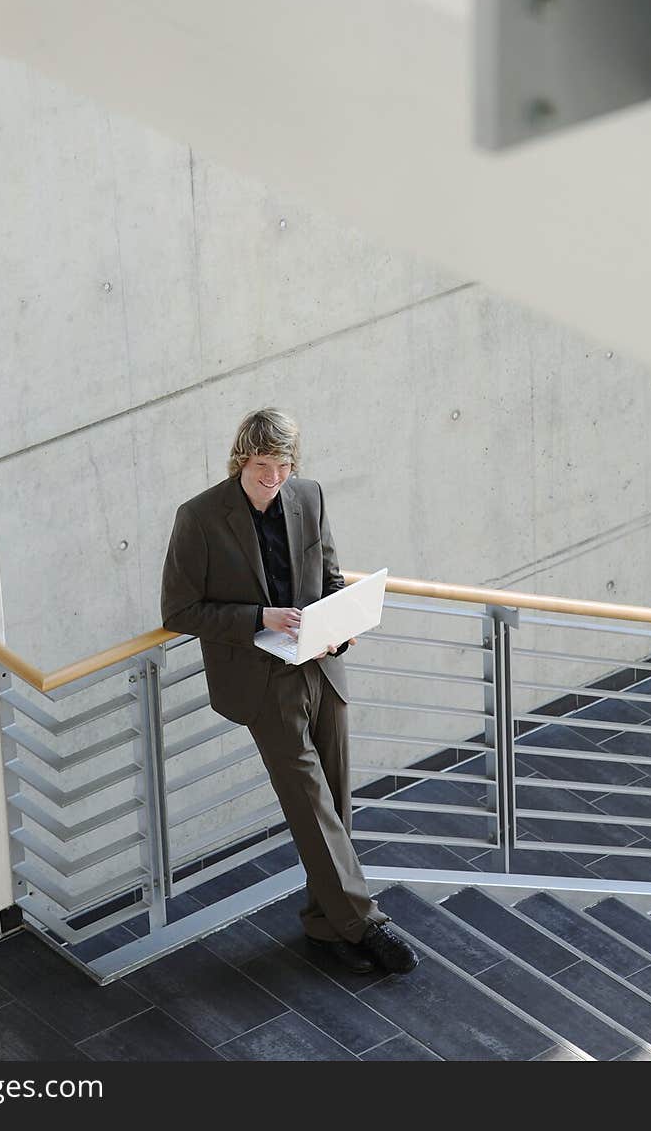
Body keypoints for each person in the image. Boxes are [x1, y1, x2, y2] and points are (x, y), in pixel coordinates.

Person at [160, 407, 418, 975]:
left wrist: (339, 631)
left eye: (281, 466)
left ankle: (327, 925)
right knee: (309, 802)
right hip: (261, 681)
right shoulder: (200, 518)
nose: (273, 479)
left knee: (335, 800)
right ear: (240, 461)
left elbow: (329, 578)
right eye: (261, 467)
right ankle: (366, 925)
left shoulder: (310, 496)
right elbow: (179, 610)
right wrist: (260, 618)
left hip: (322, 668)